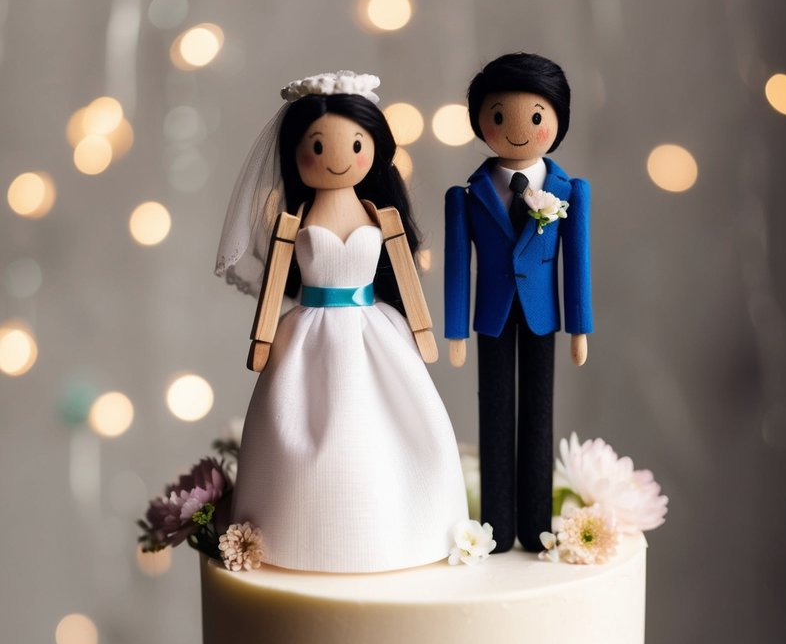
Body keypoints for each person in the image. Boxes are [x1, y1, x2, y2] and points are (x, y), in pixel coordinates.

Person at [215, 71, 467, 573]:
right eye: (319, 147)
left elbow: (406, 279)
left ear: (373, 146)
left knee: (390, 429)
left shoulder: (381, 218)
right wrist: (262, 338)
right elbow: (272, 290)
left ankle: (402, 525)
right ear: (296, 153)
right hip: (308, 335)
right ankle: (299, 530)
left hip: (377, 332)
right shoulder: (293, 223)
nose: (338, 158)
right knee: (300, 430)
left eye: (355, 144)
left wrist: (421, 331)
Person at [444, 52, 593, 553]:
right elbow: (457, 268)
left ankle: (535, 525)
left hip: (542, 317)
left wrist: (580, 327)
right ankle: (497, 528)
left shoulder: (569, 191)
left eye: (535, 117)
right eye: (500, 116)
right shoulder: (467, 196)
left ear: (556, 122)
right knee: (494, 419)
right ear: (482, 123)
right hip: (490, 315)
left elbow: (578, 265)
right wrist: (455, 331)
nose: (518, 129)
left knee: (538, 416)